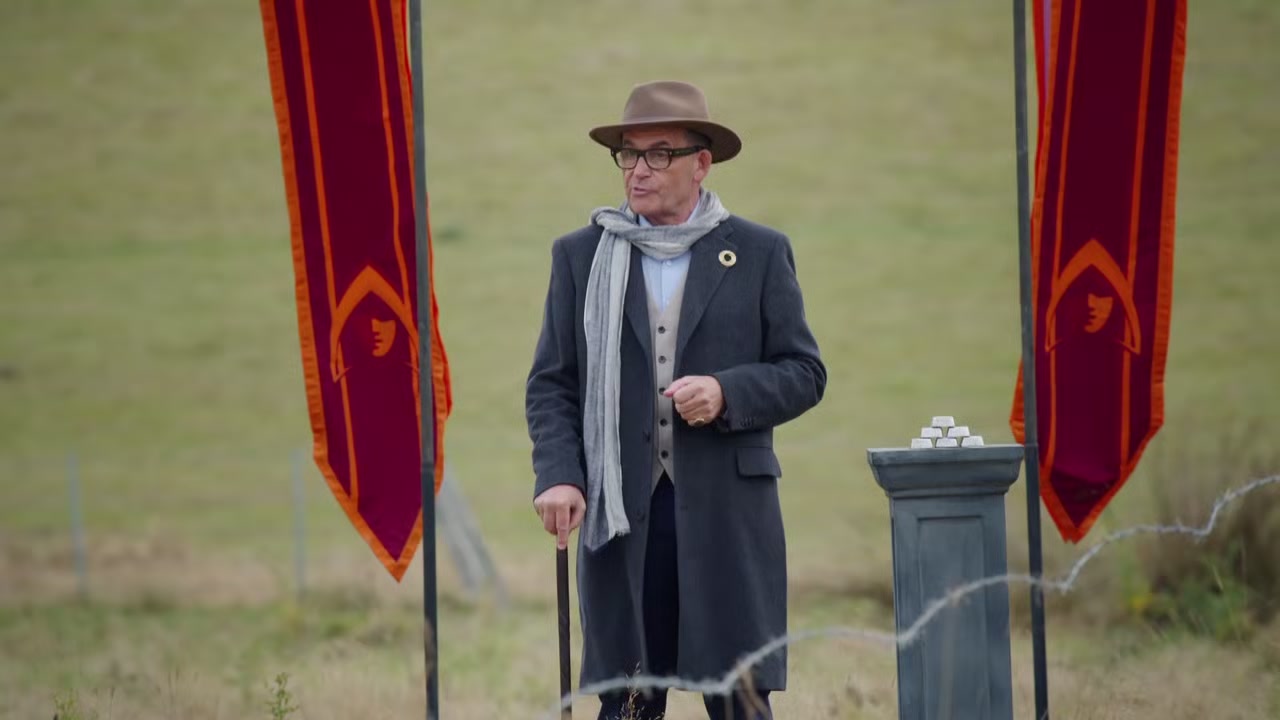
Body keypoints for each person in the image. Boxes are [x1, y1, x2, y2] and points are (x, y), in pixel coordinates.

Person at [526, 80, 825, 720]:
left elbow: (804, 372)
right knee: (628, 701)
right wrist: (559, 475)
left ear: (701, 162)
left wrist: (727, 392)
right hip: (621, 514)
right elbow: (553, 383)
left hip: (727, 513)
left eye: (659, 154)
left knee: (741, 700)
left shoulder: (759, 252)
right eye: (629, 154)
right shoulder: (580, 257)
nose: (639, 170)